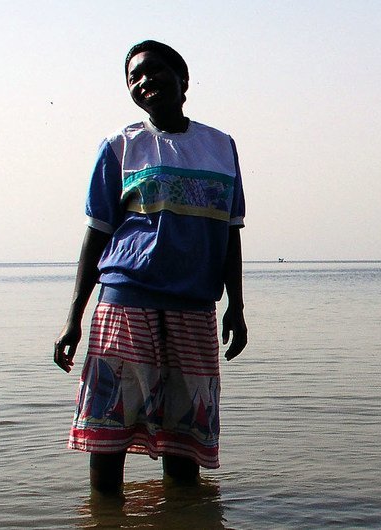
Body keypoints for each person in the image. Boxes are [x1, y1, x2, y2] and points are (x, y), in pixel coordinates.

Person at [53, 40, 248, 496]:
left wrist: (236, 306)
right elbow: (97, 234)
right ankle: (104, 519)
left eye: (154, 71)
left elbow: (231, 232)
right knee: (109, 435)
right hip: (126, 301)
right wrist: (73, 318)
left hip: (194, 307)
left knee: (185, 444)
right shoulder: (121, 146)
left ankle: (182, 520)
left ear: (183, 81)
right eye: (133, 78)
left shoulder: (221, 146)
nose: (144, 82)